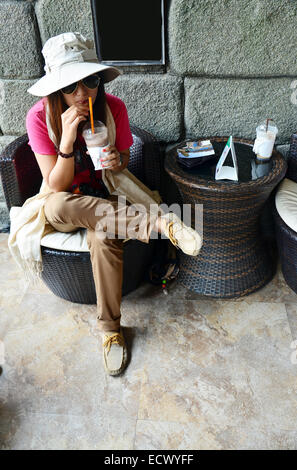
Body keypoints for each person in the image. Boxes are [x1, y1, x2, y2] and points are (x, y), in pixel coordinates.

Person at [24, 32, 202, 376]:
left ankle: (110, 331)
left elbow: (121, 159)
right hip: (65, 202)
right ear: (55, 89)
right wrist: (67, 141)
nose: (81, 94)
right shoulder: (39, 117)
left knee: (104, 234)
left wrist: (117, 161)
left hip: (104, 197)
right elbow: (55, 184)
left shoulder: (113, 108)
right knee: (58, 205)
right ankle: (160, 224)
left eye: (89, 81)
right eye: (69, 86)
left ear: (98, 79)